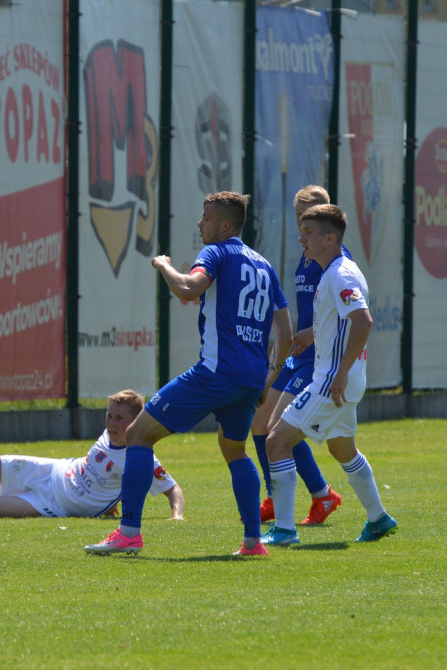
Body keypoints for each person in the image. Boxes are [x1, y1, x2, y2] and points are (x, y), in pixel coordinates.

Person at [84, 191, 292, 557]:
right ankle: (253, 542)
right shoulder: (264, 265)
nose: (199, 224)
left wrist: (163, 264)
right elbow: (285, 334)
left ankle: (129, 532)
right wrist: (267, 380)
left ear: (225, 225)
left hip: (214, 373)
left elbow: (186, 287)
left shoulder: (216, 252)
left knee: (137, 435)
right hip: (248, 381)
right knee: (235, 450)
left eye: (206, 217)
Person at [263, 204, 397, 545]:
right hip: (341, 380)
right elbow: (342, 321)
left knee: (276, 442)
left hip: (331, 382)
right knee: (343, 450)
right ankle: (379, 518)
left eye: (308, 233)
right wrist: (312, 335)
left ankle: (284, 529)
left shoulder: (340, 274)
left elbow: (363, 321)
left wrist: (339, 372)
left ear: (330, 237)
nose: (301, 238)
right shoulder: (334, 272)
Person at [0, 389, 184, 520]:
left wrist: (177, 515)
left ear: (135, 421)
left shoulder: (141, 456)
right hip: (51, 469)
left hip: (53, 503)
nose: (112, 423)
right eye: (109, 415)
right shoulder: (108, 434)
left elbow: (172, 489)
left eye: (120, 418)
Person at [250, 185, 344, 526]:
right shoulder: (306, 254)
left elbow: (346, 313)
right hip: (298, 354)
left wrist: (312, 335)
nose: (303, 223)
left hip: (319, 358)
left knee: (280, 428)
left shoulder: (335, 259)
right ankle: (278, 494)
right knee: (259, 422)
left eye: (311, 215)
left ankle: (321, 496)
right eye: (298, 217)